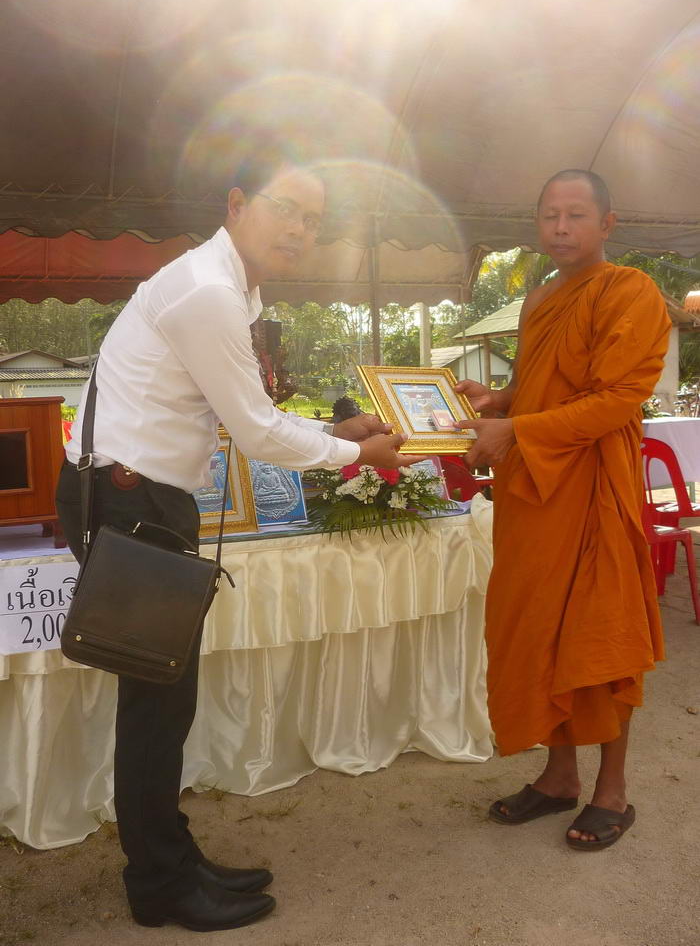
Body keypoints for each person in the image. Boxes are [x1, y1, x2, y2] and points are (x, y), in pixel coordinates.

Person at [56, 147, 422, 932]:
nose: (299, 229)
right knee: (155, 702)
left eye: (314, 219)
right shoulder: (207, 292)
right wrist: (357, 451)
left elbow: (240, 408)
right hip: (129, 500)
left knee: (166, 696)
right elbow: (254, 430)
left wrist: (332, 430)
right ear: (236, 204)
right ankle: (158, 885)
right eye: (285, 207)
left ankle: (172, 856)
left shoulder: (232, 288)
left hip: (144, 496)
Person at [455, 169, 670, 851]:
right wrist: (497, 403)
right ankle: (558, 779)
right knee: (538, 632)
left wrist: (515, 428)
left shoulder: (629, 291)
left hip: (592, 487)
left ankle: (613, 790)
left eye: (576, 215)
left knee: (600, 639)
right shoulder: (538, 298)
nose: (561, 227)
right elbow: (533, 388)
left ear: (607, 224)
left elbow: (614, 401)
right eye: (549, 215)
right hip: (533, 495)